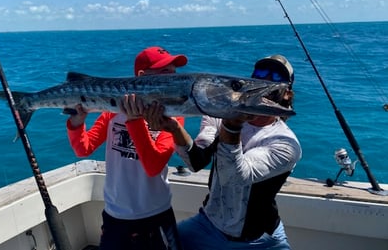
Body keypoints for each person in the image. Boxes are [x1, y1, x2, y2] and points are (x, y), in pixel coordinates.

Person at [143, 54, 302, 250]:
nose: (266, 80)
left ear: (287, 93)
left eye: (277, 77)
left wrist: (231, 127)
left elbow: (234, 176)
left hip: (261, 240)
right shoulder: (218, 117)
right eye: (260, 74)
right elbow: (196, 161)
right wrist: (175, 129)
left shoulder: (286, 144)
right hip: (207, 226)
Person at [66, 46, 187, 250]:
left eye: (173, 73)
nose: (173, 80)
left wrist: (135, 121)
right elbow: (83, 149)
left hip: (155, 216)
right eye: (165, 73)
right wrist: (77, 123)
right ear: (141, 77)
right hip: (115, 216)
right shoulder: (112, 113)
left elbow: (153, 166)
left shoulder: (172, 119)